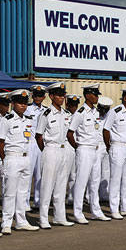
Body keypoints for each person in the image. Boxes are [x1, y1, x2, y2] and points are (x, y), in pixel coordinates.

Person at [0, 89, 39, 233]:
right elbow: (0, 142)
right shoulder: (6, 120)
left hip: (25, 157)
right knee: (9, 192)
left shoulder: (28, 120)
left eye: (25, 103)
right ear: (13, 103)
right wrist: (5, 159)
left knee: (23, 192)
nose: (23, 106)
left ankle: (21, 220)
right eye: (20, 103)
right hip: (12, 157)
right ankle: (6, 223)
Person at [36, 83, 74, 228]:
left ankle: (59, 216)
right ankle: (44, 218)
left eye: (63, 95)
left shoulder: (66, 114)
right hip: (50, 149)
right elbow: (38, 136)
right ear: (51, 96)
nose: (62, 97)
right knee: (47, 186)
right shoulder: (46, 114)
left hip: (63, 149)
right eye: (59, 95)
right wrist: (46, 150)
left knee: (61, 185)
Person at [69, 84, 108, 223]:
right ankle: (78, 212)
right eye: (95, 94)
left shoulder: (96, 112)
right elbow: (70, 133)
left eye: (97, 94)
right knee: (81, 181)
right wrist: (78, 147)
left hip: (96, 149)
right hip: (84, 148)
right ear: (87, 96)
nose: (97, 97)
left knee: (95, 182)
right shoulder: (80, 112)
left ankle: (96, 211)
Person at [103, 88, 126, 219]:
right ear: (125, 98)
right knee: (115, 178)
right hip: (117, 146)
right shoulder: (115, 112)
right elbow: (106, 131)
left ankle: (125, 207)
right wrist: (109, 146)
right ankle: (114, 209)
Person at [25, 85, 47, 208]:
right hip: (30, 143)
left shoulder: (46, 110)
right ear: (32, 96)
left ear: (44, 97)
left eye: (40, 96)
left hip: (41, 143)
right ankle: (25, 203)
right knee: (27, 175)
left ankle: (38, 201)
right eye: (36, 95)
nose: (38, 98)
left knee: (40, 175)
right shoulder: (27, 109)